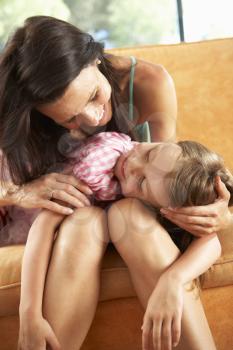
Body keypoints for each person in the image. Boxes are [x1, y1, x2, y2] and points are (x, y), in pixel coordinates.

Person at [0, 15, 232, 350]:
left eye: (94, 95)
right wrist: (19, 192)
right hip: (76, 223)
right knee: (87, 220)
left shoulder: (149, 83)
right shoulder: (21, 106)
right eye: (70, 118)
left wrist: (216, 212)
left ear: (95, 57)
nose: (95, 118)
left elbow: (170, 177)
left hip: (133, 223)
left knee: (128, 214)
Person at [18, 131, 233, 349]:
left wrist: (173, 280)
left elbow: (210, 241)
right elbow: (43, 224)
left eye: (141, 182)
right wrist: (30, 314)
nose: (133, 164)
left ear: (166, 213)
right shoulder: (99, 163)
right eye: (149, 154)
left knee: (126, 212)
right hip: (80, 231)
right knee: (87, 219)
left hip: (133, 233)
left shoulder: (154, 202)